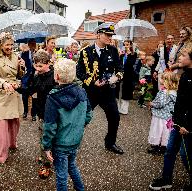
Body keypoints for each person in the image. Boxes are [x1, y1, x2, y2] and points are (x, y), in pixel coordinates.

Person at [42, 59, 93, 191]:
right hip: (75, 140)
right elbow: (88, 115)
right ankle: (80, 188)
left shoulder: (52, 98)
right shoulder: (82, 92)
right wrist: (78, 126)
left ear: (57, 76)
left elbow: (49, 126)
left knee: (61, 175)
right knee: (72, 166)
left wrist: (46, 146)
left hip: (60, 144)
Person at [76, 22, 124, 154]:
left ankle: (110, 143)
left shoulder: (113, 50)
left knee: (114, 117)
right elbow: (79, 71)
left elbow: (120, 69)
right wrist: (92, 81)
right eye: (107, 35)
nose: (110, 37)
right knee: (82, 118)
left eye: (111, 35)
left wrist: (116, 77)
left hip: (108, 92)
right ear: (98, 35)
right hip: (91, 91)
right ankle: (73, 141)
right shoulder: (85, 52)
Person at [149, 45, 192, 191]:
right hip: (177, 122)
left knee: (185, 155)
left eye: (183, 56)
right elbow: (180, 101)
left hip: (187, 125)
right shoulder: (185, 75)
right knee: (170, 151)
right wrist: (177, 120)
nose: (179, 57)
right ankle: (166, 179)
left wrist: (187, 125)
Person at [0, 32, 25, 164]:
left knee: (15, 122)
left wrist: (22, 66)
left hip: (14, 92)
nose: (10, 47)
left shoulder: (16, 56)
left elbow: (20, 74)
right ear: (1, 45)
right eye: (7, 45)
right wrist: (3, 83)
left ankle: (13, 143)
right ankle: (1, 155)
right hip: (0, 94)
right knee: (1, 126)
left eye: (11, 44)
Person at [147, 72, 178, 154]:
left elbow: (160, 103)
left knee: (157, 130)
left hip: (160, 116)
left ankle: (156, 147)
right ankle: (163, 147)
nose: (160, 80)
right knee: (165, 132)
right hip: (167, 116)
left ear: (168, 81)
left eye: (163, 79)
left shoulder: (165, 93)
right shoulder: (173, 92)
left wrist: (152, 104)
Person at [117, 39, 137, 115]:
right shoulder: (122, 55)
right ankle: (119, 108)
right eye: (124, 44)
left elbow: (130, 63)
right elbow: (119, 64)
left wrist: (128, 54)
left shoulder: (133, 54)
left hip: (128, 76)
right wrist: (119, 56)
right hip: (121, 76)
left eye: (127, 44)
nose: (126, 46)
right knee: (119, 92)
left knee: (126, 93)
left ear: (130, 45)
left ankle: (124, 109)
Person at [20, 40, 37, 121]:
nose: (33, 45)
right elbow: (21, 66)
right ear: (29, 44)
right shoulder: (24, 53)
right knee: (24, 96)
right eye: (31, 44)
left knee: (34, 96)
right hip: (25, 78)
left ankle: (33, 114)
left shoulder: (37, 53)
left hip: (34, 78)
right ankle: (25, 111)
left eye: (34, 44)